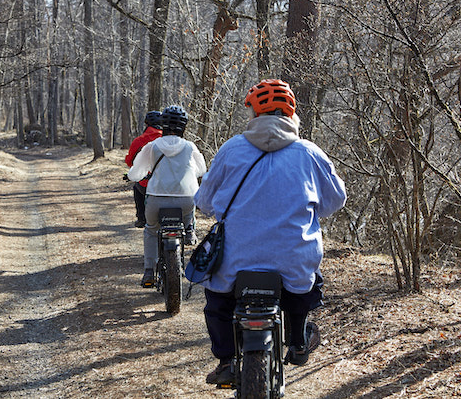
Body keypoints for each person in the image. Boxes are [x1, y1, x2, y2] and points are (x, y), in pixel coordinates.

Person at [193, 79, 347, 384]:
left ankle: (226, 360)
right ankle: (299, 342)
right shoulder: (309, 153)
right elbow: (336, 199)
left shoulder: (231, 149)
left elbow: (205, 202)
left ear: (252, 114)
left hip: (235, 260)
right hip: (294, 256)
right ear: (291, 114)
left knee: (217, 299)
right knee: (303, 287)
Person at [128, 105, 207, 288]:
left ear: (163, 124)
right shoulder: (190, 146)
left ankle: (149, 270)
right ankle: (188, 229)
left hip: (157, 199)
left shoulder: (152, 146)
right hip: (186, 200)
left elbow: (135, 174)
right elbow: (202, 170)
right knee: (189, 204)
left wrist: (141, 174)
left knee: (151, 229)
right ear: (184, 126)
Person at [125, 111, 163, 228]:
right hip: (167, 183)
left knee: (137, 186)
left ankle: (141, 218)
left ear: (147, 124)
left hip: (146, 184)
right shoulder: (167, 140)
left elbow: (129, 161)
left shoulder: (139, 141)